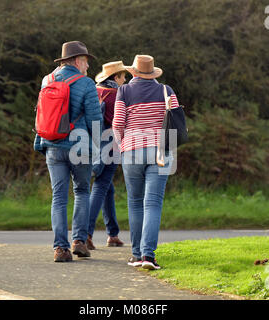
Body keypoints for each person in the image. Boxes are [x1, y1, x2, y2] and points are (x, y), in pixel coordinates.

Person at [34, 41, 103, 262]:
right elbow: (95, 120)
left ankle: (60, 248)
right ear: (77, 61)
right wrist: (99, 146)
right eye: (86, 62)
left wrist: (41, 141)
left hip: (52, 145)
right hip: (79, 146)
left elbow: (42, 114)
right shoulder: (86, 83)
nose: (88, 67)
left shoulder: (47, 80)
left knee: (59, 197)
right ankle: (79, 241)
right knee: (82, 191)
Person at [113, 55, 179, 270]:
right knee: (152, 204)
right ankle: (148, 257)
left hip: (131, 151)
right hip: (160, 151)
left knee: (134, 202)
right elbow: (176, 120)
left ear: (133, 72)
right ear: (153, 73)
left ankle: (136, 255)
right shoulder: (166, 91)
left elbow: (117, 124)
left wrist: (123, 145)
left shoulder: (124, 91)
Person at [86, 61, 127, 250]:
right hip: (111, 146)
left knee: (107, 188)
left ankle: (112, 233)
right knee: (101, 186)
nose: (125, 80)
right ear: (116, 77)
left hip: (89, 145)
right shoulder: (117, 95)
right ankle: (85, 234)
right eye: (123, 76)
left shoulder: (94, 91)